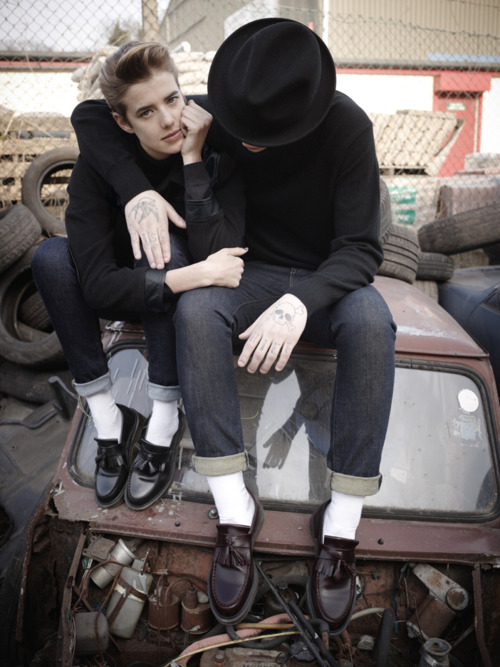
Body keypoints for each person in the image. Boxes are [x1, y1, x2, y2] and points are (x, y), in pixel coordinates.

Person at [70, 19, 397, 635]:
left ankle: (342, 526)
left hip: (326, 281)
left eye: (261, 134)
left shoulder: (348, 127)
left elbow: (361, 249)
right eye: (240, 124)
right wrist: (140, 188)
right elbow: (92, 115)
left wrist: (302, 302)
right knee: (196, 309)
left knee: (373, 321)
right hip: (246, 272)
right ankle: (234, 512)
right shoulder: (237, 103)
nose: (244, 137)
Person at [32, 41, 246, 513]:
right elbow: (97, 288)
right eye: (146, 112)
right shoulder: (98, 165)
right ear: (123, 123)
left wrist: (192, 158)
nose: (168, 120)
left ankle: (164, 420)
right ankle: (108, 421)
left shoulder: (206, 133)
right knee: (49, 257)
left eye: (172, 100)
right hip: (130, 282)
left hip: (176, 277)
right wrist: (138, 196)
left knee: (163, 246)